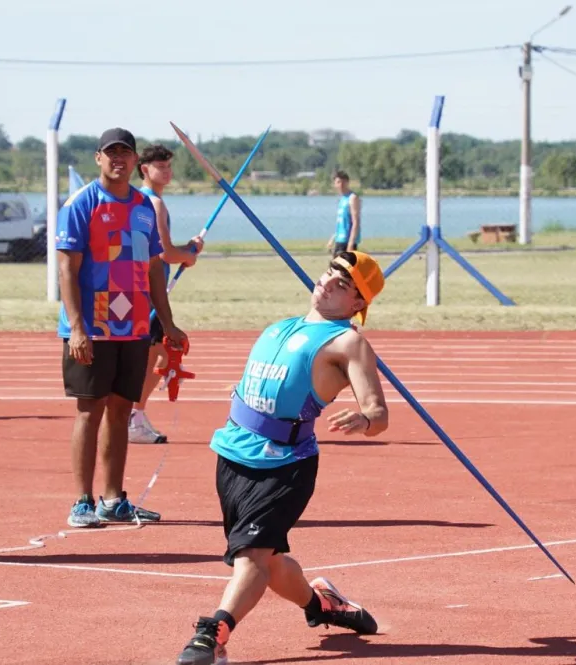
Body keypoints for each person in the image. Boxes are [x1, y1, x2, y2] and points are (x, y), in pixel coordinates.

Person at [175, 250, 389, 665]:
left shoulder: (348, 342)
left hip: (284, 465)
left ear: (358, 305)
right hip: (233, 454)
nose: (327, 284)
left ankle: (212, 634)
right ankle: (322, 604)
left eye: (343, 286)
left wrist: (364, 420)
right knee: (269, 562)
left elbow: (379, 414)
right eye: (330, 274)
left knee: (251, 556)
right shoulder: (280, 328)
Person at [56, 128, 195, 528]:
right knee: (89, 410)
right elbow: (67, 267)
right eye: (111, 153)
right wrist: (78, 328)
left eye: (125, 153)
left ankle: (113, 498)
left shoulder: (143, 207)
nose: (118, 159)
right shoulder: (82, 204)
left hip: (133, 326)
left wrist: (166, 322)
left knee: (120, 411)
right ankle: (82, 500)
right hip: (92, 327)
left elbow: (154, 267)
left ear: (135, 161)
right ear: (99, 158)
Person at [128, 144, 205, 444]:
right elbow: (165, 253)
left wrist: (187, 250)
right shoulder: (153, 204)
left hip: (146, 289)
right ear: (145, 169)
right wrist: (189, 253)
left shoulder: (142, 200)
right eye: (161, 166)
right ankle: (133, 416)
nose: (168, 171)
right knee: (158, 354)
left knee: (157, 354)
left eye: (170, 166)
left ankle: (133, 414)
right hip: (149, 291)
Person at [325, 170, 361, 258]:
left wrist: (351, 243)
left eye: (343, 182)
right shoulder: (341, 200)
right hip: (339, 240)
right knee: (335, 269)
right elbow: (341, 223)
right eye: (338, 182)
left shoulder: (352, 198)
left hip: (347, 241)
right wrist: (332, 239)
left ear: (347, 182)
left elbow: (355, 222)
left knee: (346, 270)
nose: (340, 185)